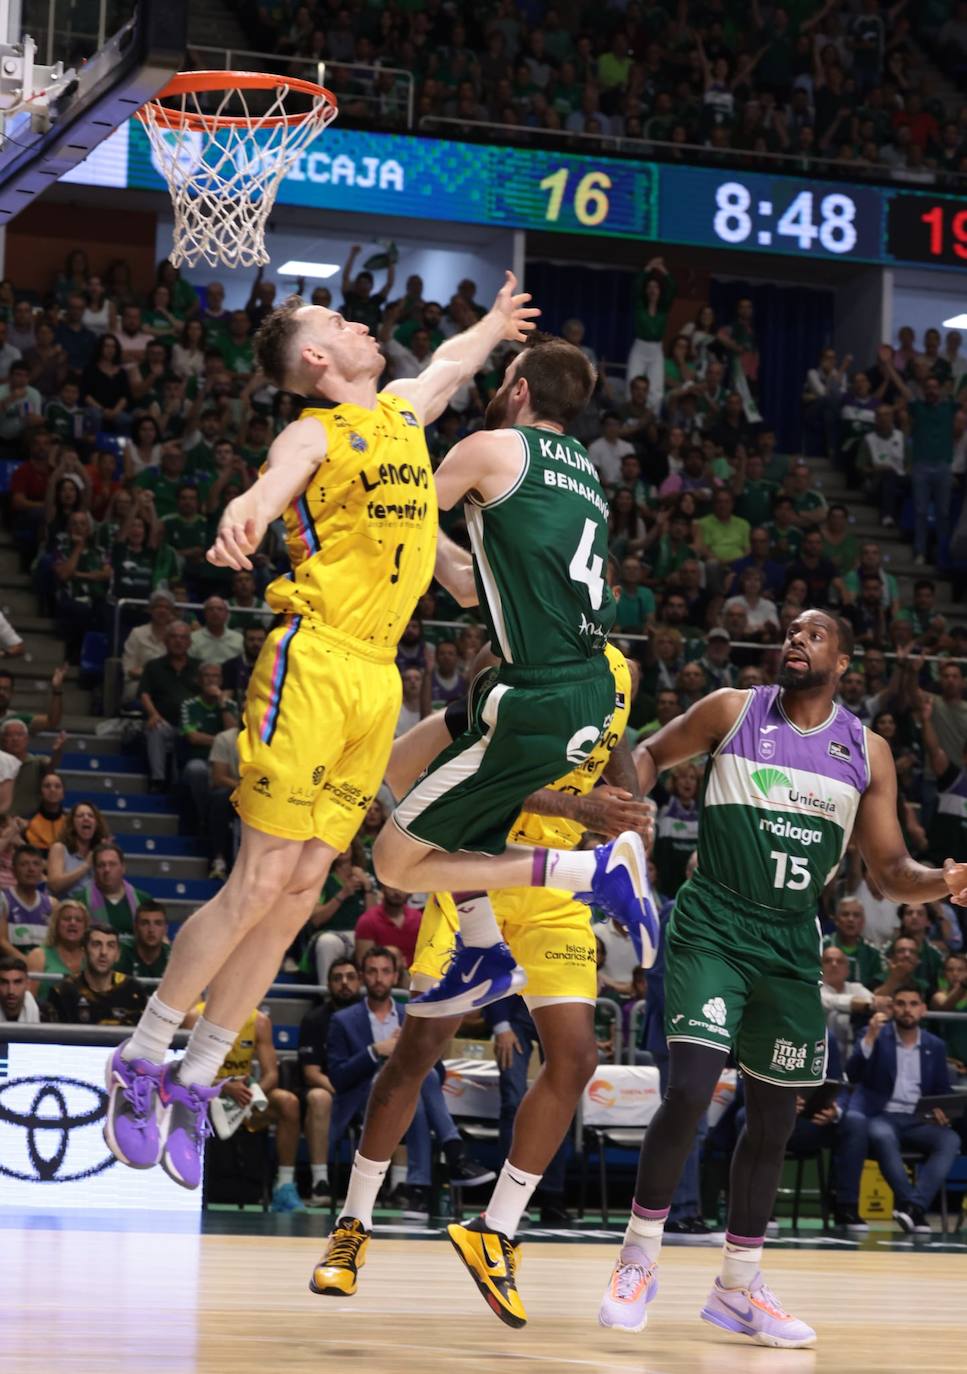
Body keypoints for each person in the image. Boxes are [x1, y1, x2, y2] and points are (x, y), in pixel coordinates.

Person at [103, 270, 540, 1190]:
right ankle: (141, 1057)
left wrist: (496, 326)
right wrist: (242, 518)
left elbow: (452, 366)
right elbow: (268, 489)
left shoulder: (398, 414)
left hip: (376, 680)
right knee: (260, 876)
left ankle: (197, 1073)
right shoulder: (317, 428)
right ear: (315, 356)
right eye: (342, 320)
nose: (362, 325)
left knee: (302, 889)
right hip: (313, 660)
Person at [596, 608, 967, 1347]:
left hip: (791, 941)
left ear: (844, 661)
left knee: (772, 1121)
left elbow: (890, 873)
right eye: (791, 631)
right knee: (692, 1088)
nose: (795, 639)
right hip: (712, 924)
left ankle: (738, 1285)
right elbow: (646, 760)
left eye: (814, 634)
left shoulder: (868, 752)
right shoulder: (733, 711)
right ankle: (637, 1257)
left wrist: (946, 879)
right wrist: (620, 810)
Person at [311, 640, 648, 1317]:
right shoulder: (505, 660)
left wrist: (629, 821)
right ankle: (352, 1225)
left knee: (576, 1057)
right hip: (479, 870)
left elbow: (616, 758)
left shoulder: (621, 672)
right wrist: (577, 811)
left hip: (557, 889)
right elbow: (466, 777)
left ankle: (494, 1230)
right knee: (413, 1059)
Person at [370, 335, 658, 1019]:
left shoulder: (489, 447)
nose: (498, 388)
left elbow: (397, 516)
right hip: (575, 685)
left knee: (391, 862)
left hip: (536, 692)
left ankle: (591, 872)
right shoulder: (583, 469)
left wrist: (388, 433)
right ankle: (479, 946)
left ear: (521, 390)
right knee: (402, 768)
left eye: (504, 378)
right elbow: (471, 587)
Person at [321, 946, 494, 1229]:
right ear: (363, 976)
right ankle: (452, 1153)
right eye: (373, 972)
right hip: (364, 1099)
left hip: (406, 1095)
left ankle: (419, 1191)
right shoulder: (343, 1020)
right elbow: (338, 1078)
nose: (379, 978)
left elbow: (436, 1069)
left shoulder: (409, 1015)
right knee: (414, 1080)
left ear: (396, 977)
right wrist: (376, 1051)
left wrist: (410, 1052)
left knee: (418, 1082)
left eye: (385, 971)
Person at [848, 986, 960, 1233]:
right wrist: (869, 1040)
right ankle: (914, 1209)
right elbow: (853, 1074)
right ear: (891, 1008)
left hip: (920, 1118)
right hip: (882, 1115)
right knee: (882, 1136)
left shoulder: (935, 1045)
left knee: (950, 1139)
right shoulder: (874, 1034)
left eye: (912, 1003)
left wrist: (943, 1110)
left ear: (922, 1009)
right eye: (900, 1003)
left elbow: (942, 1089)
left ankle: (912, 1207)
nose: (906, 1009)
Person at [186, 998, 307, 1213]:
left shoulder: (259, 1021)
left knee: (287, 1103)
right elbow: (186, 1073)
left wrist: (252, 1094)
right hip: (203, 1098)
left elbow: (271, 1074)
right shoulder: (195, 1017)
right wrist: (223, 1086)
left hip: (242, 1098)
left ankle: (284, 1187)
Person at [297, 957, 362, 1207]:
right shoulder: (315, 1019)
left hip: (364, 1090)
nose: (344, 983)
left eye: (350, 977)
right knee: (319, 1097)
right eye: (337, 978)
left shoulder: (369, 1015)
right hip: (329, 1089)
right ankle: (319, 1181)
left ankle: (399, 1186)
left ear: (359, 981)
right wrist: (342, 1089)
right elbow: (311, 1072)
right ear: (328, 984)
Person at [139, 621, 200, 789]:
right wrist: (153, 714)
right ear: (165, 641)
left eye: (183, 637)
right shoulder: (153, 666)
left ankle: (181, 784)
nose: (178, 641)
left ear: (189, 642)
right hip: (164, 721)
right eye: (173, 637)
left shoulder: (199, 667)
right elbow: (144, 693)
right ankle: (158, 780)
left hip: (192, 724)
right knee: (156, 728)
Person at [46, 923, 147, 1025]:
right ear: (84, 951)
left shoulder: (134, 990)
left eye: (110, 946)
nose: (103, 952)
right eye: (96, 945)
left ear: (118, 955)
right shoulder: (63, 992)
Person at [74, 843, 152, 949]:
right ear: (94, 870)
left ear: (123, 868)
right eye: (101, 865)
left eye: (112, 864)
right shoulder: (79, 902)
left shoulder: (143, 900)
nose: (107, 869)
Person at [47, 800, 111, 897]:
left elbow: (109, 888)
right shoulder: (59, 848)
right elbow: (54, 886)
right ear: (72, 824)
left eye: (91, 816)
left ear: (96, 824)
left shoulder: (99, 852)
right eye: (80, 816)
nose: (86, 818)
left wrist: (107, 858)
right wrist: (86, 866)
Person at [0, 844, 52, 958]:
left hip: (45, 970)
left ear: (41, 870)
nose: (31, 869)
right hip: (10, 970)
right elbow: (1, 942)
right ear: (13, 870)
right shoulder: (3, 900)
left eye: (36, 864)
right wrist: (28, 964)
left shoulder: (52, 904)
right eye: (24, 864)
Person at [353, 885, 422, 969]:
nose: (397, 892)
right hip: (381, 978)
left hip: (416, 977)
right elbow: (363, 964)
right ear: (382, 887)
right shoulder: (367, 920)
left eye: (402, 887)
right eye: (391, 886)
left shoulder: (419, 919)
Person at [25, 897, 88, 987]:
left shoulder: (91, 958)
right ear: (56, 924)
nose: (72, 923)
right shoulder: (38, 956)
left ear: (85, 927)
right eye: (67, 919)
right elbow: (29, 998)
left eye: (78, 920)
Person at [118, 901, 171, 979]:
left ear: (165, 929)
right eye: (145, 923)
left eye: (158, 923)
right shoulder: (120, 955)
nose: (151, 930)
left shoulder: (173, 958)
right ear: (135, 928)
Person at [24, 770, 67, 852]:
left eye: (57, 786)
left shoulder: (70, 822)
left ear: (63, 794)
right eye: (47, 786)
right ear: (40, 793)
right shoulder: (28, 821)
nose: (52, 790)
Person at [0, 954, 41, 1023]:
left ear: (27, 984)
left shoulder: (45, 1013)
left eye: (17, 982)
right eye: (4, 982)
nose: (11, 991)